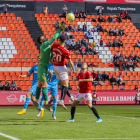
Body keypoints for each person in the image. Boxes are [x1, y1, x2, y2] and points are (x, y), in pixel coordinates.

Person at [33, 24, 65, 113]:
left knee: (40, 85)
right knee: (45, 85)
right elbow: (54, 38)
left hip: (43, 67)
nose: (45, 38)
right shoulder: (44, 45)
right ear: (41, 40)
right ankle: (46, 103)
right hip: (43, 68)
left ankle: (36, 101)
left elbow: (53, 50)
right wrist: (59, 29)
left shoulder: (47, 47)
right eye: (43, 38)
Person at [52, 35, 76, 110]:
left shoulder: (54, 45)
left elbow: (51, 53)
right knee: (66, 84)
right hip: (61, 68)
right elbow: (70, 61)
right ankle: (62, 100)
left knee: (63, 85)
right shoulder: (65, 50)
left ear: (59, 40)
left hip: (55, 67)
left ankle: (70, 97)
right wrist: (73, 69)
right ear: (65, 41)